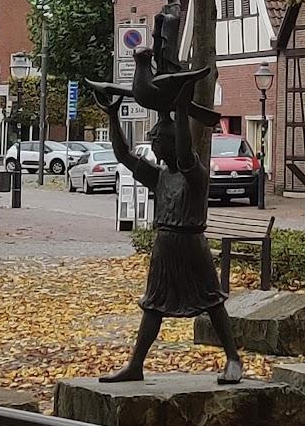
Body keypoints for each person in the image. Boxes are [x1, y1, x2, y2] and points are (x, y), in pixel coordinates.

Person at [92, 77, 243, 385]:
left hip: (191, 245)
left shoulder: (194, 174)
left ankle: (233, 358)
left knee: (212, 301)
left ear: (172, 143)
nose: (155, 150)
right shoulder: (160, 176)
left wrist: (182, 111)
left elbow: (186, 153)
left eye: (160, 144)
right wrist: (112, 115)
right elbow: (124, 156)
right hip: (164, 247)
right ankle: (136, 365)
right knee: (153, 305)